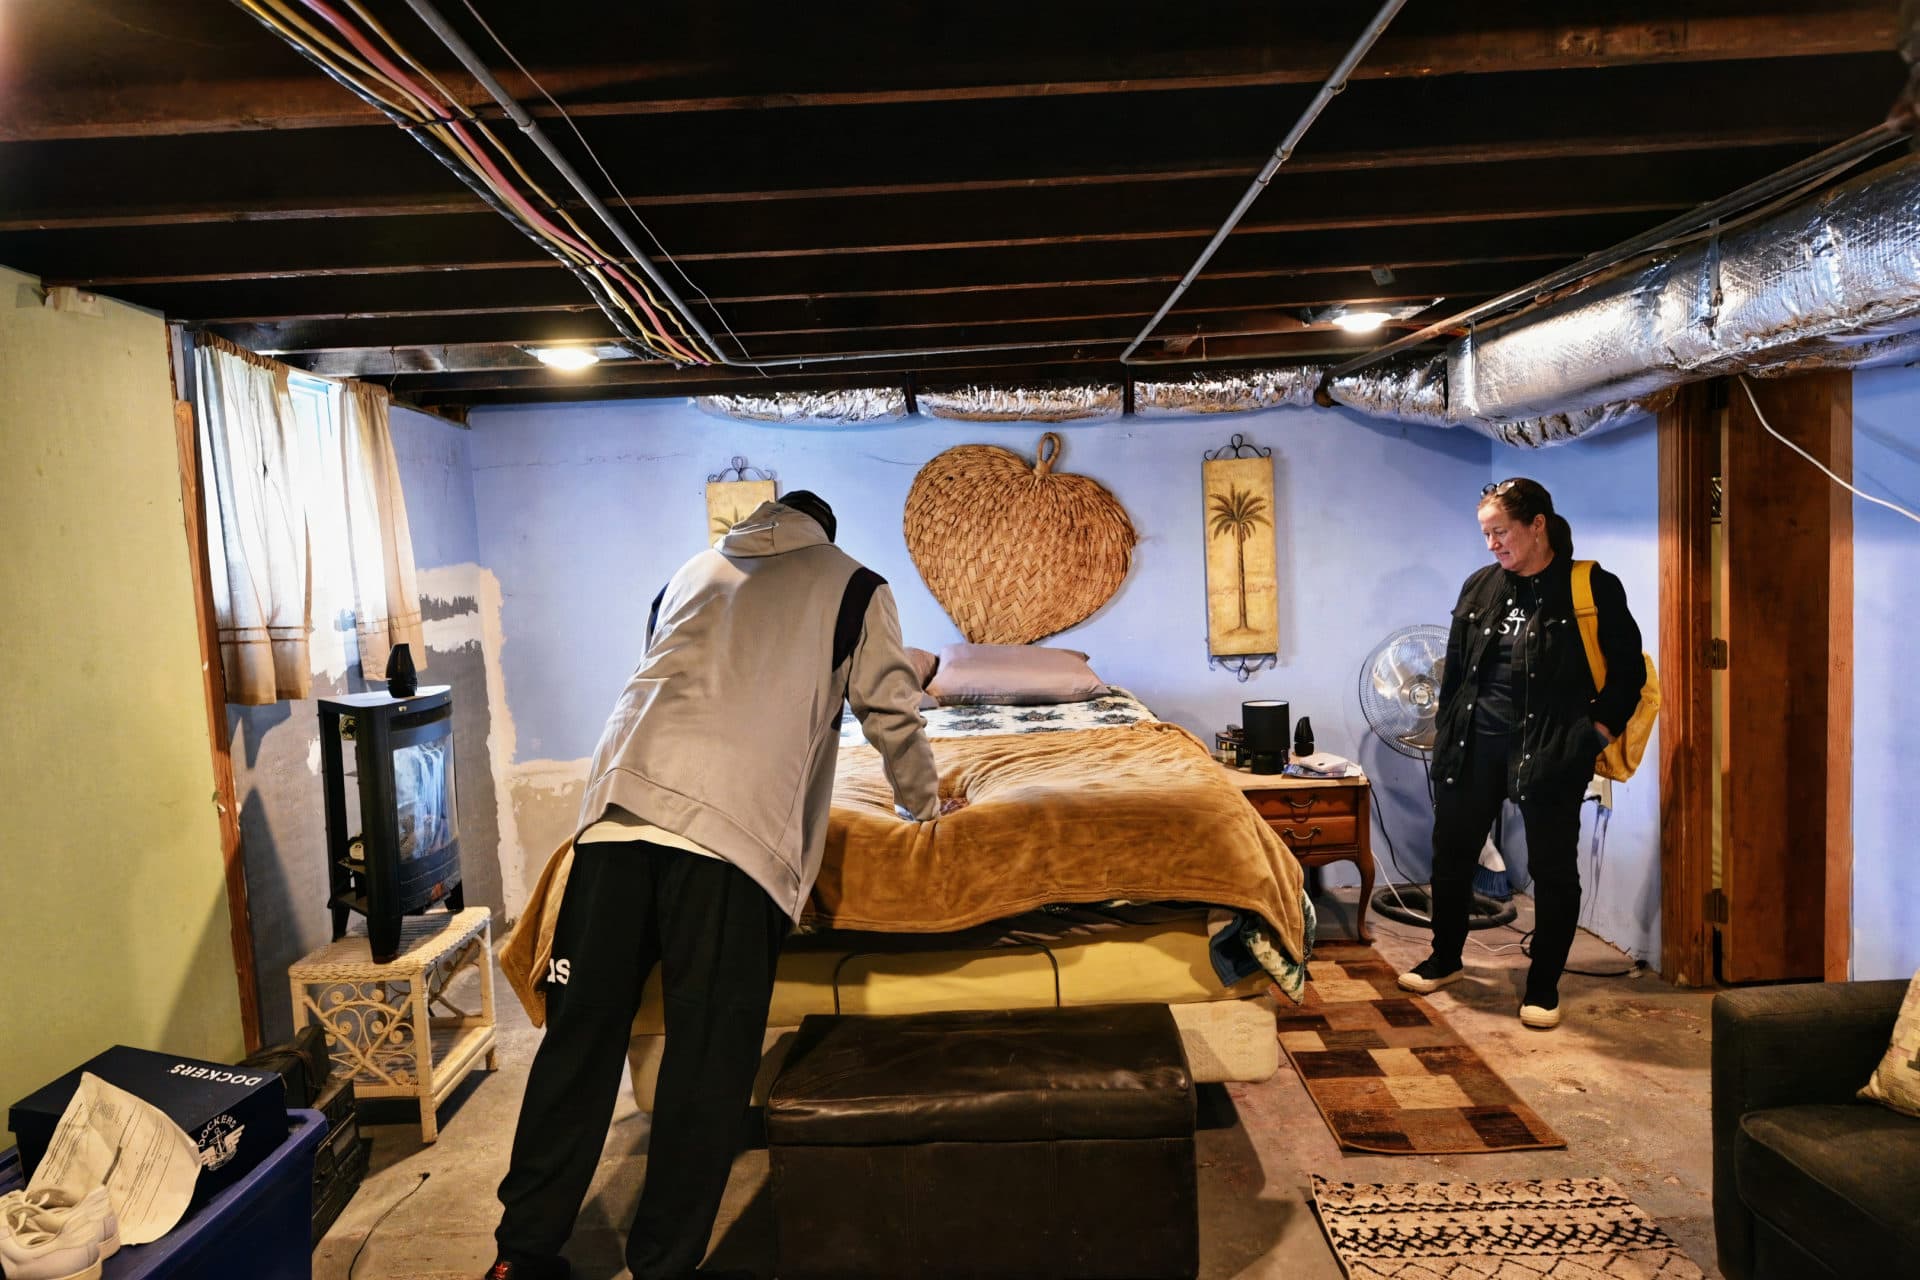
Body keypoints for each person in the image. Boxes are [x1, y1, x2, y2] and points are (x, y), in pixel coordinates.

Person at [485, 491, 942, 1280]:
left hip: (614, 819)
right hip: (731, 842)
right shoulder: (855, 585)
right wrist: (926, 802)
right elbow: (890, 711)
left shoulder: (688, 573)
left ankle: (520, 1255)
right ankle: (662, 1265)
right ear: (822, 536)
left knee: (577, 1044)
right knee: (705, 1067)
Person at [1397, 477, 1646, 1030]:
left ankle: (1543, 986)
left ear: (1538, 526)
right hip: (1472, 747)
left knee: (1553, 870)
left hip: (1551, 751)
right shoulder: (1481, 586)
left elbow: (1628, 672)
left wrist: (1594, 737)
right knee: (1452, 855)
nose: (1492, 544)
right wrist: (1445, 731)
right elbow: (1457, 672)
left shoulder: (1590, 587)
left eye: (1501, 531)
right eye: (1486, 534)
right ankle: (1445, 959)